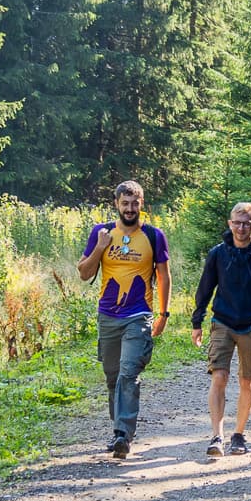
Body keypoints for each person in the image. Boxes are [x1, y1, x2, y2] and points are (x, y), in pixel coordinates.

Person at [76, 180, 170, 459]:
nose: (130, 209)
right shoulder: (102, 232)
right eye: (125, 203)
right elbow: (84, 273)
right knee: (112, 377)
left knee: (129, 373)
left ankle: (123, 435)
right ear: (116, 204)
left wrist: (164, 314)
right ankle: (118, 429)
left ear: (142, 204)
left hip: (138, 315)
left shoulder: (153, 235)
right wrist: (100, 247)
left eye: (134, 203)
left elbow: (164, 276)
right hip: (108, 316)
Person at [191, 202, 251, 456]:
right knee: (219, 376)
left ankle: (239, 434)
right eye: (237, 223)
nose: (241, 228)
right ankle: (216, 436)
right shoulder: (218, 254)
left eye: (246, 223)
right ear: (230, 224)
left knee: (246, 380)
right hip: (222, 321)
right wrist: (197, 322)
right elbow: (205, 288)